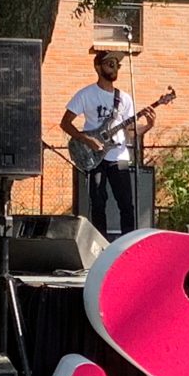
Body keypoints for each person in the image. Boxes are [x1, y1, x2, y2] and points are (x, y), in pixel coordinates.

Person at [60, 50, 156, 239]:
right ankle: (100, 244)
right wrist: (87, 140)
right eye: (110, 64)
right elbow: (65, 123)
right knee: (98, 202)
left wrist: (148, 126)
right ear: (98, 67)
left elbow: (130, 132)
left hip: (118, 155)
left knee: (126, 202)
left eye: (116, 65)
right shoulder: (86, 94)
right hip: (94, 156)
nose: (114, 68)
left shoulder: (124, 99)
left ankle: (127, 243)